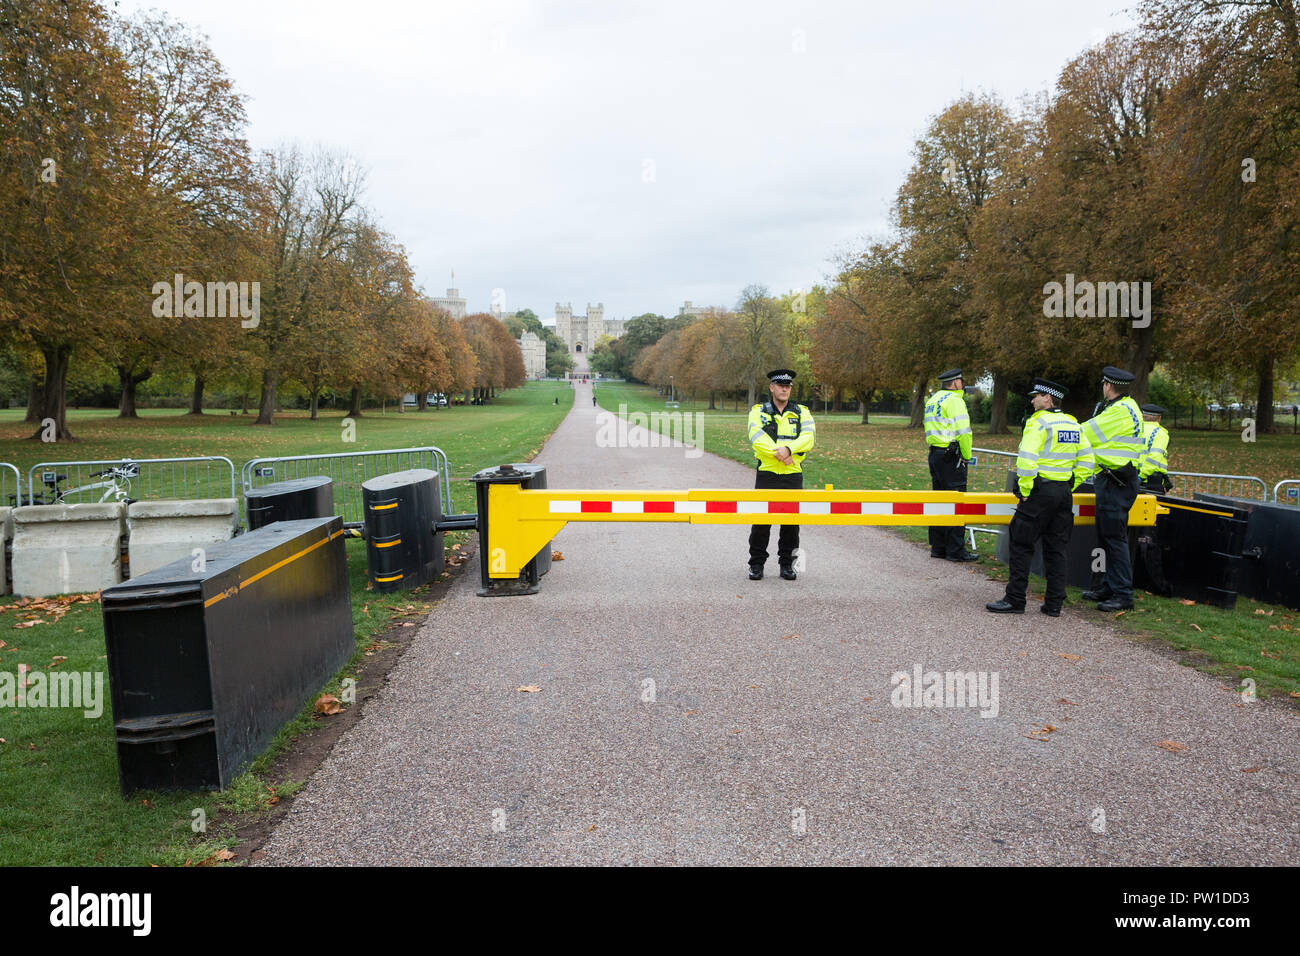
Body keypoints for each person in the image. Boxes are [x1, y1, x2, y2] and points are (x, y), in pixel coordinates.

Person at [986, 379, 1093, 616]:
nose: (1033, 399)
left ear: (1048, 399)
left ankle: (1015, 600)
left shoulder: (1039, 423)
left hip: (1039, 493)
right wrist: (1069, 484)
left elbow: (1026, 460)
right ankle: (1054, 604)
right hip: (1063, 493)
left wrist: (1024, 491)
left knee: (1022, 545)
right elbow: (1087, 462)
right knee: (1057, 548)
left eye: (1037, 396)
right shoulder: (1074, 425)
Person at [1080, 365, 1145, 611]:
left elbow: (1086, 433)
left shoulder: (1119, 412)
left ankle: (1123, 594)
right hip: (1115, 480)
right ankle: (1109, 586)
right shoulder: (1128, 407)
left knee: (1115, 540)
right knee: (1108, 537)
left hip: (1115, 482)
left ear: (1108, 385)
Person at [747, 369, 815, 580]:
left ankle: (787, 565)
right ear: (772, 387)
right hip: (767, 473)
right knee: (761, 522)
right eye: (780, 385)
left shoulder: (801, 412)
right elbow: (756, 437)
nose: (785, 389)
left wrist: (788, 451)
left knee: (791, 524)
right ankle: (756, 564)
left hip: (792, 474)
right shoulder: (758, 411)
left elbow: (809, 437)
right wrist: (782, 454)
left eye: (788, 386)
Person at [923, 368, 977, 561]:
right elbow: (964, 432)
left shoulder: (932, 400)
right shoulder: (955, 401)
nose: (962, 384)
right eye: (961, 381)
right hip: (951, 456)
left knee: (939, 500)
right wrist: (966, 456)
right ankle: (956, 550)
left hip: (935, 454)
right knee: (956, 501)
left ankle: (938, 547)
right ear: (955, 383)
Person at [1138, 404, 1171, 493]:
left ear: (1142, 416)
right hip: (1150, 480)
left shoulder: (1134, 429)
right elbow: (1154, 457)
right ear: (1159, 418)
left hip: (1129, 478)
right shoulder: (1160, 433)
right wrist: (1141, 476)